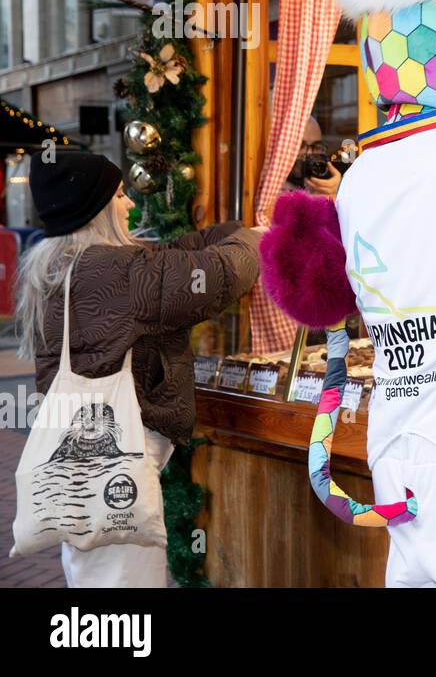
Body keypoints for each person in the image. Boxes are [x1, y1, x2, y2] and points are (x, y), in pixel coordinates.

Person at [17, 151, 262, 586]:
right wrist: (257, 239)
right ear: (97, 210)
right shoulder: (116, 273)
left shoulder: (65, 265)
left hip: (80, 468)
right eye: (118, 193)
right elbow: (219, 274)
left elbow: (170, 258)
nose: (129, 202)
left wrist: (233, 231)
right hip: (114, 472)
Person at [286, 115, 343, 199]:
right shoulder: (268, 193)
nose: (309, 153)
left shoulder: (328, 182)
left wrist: (337, 196)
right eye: (300, 145)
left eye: (316, 146)